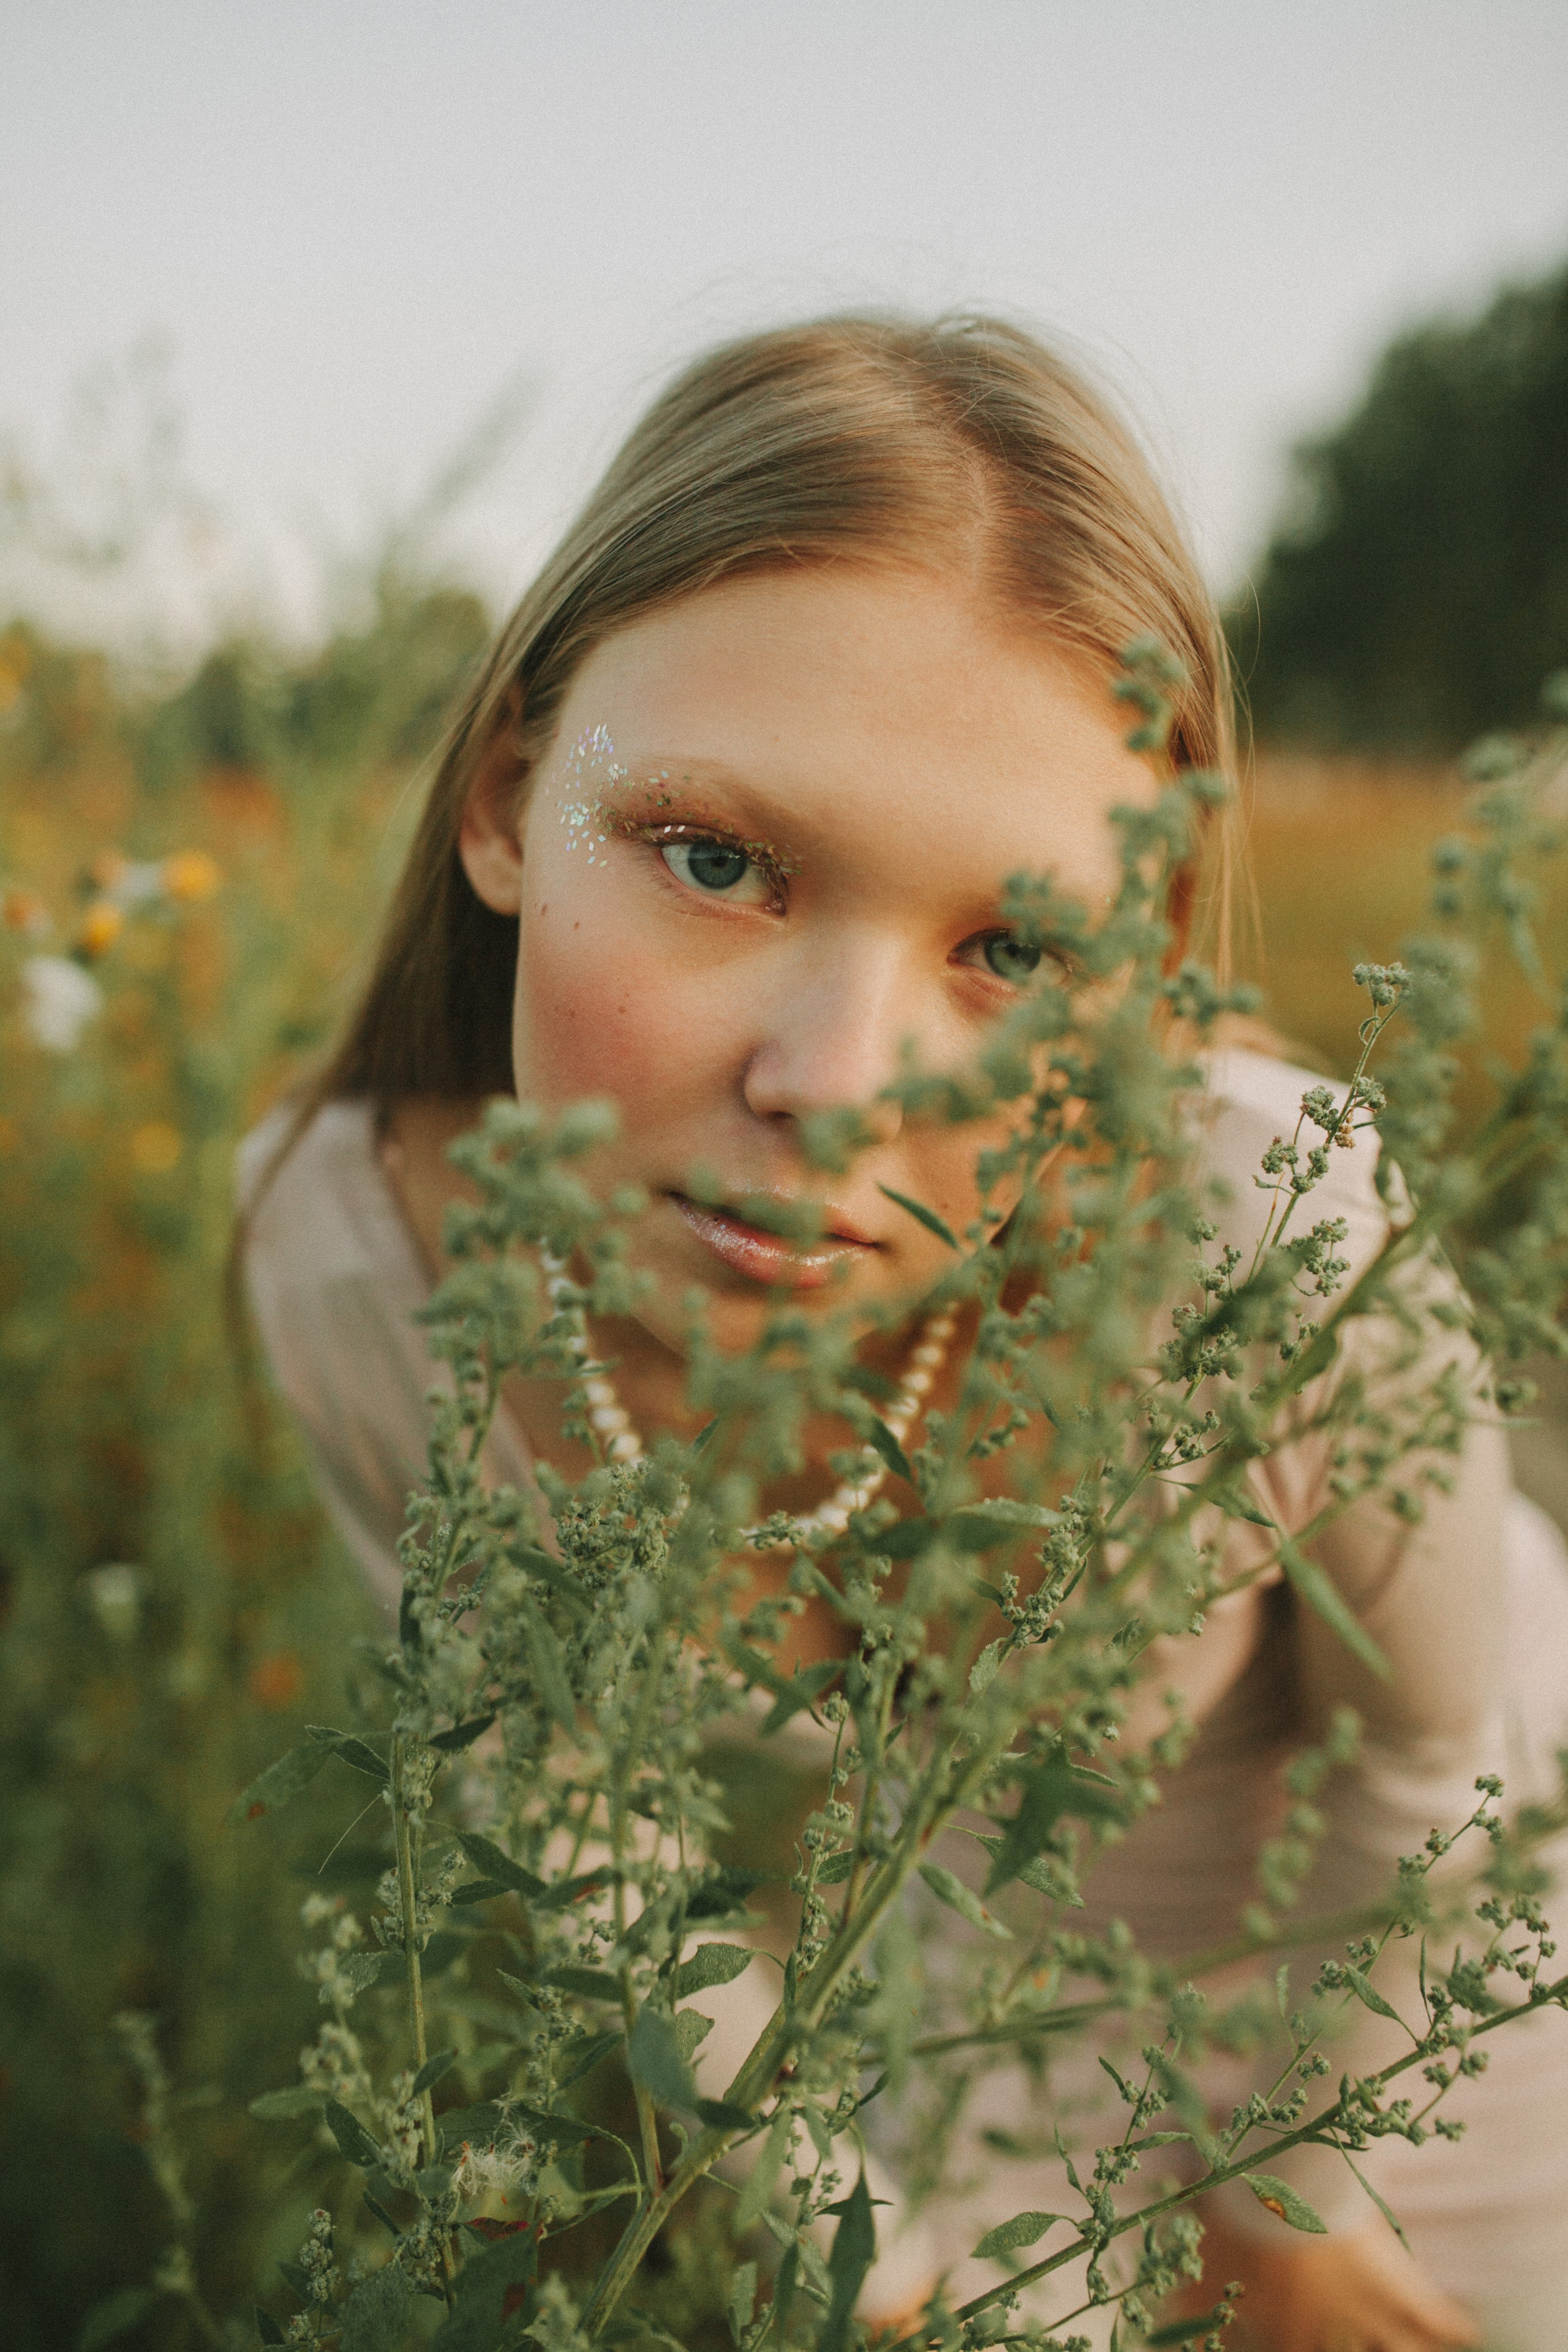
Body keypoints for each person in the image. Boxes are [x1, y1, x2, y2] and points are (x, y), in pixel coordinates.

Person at [239, 314, 1568, 2351]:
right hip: (972, 2049)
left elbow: (1443, 1754)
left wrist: (1292, 2199)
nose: (842, 1085)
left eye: (1018, 950)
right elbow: (565, 1796)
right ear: (509, 796)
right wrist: (851, 2242)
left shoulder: (1260, 1225)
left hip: (1444, 2007)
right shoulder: (361, 1271)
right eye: (717, 859)